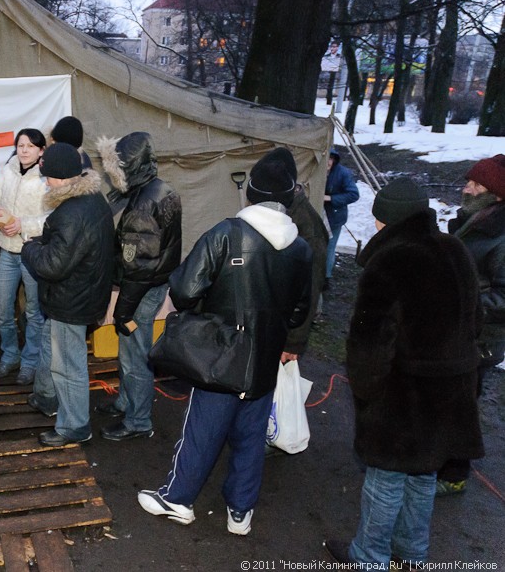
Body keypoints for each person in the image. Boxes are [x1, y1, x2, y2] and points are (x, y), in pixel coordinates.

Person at [137, 158, 311, 535]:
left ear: (251, 193)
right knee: (251, 435)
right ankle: (240, 511)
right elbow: (299, 313)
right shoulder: (301, 248)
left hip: (222, 354)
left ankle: (178, 498)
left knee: (203, 429)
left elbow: (184, 291)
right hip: (264, 359)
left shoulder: (226, 233)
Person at [324, 179, 484, 569]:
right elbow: (475, 320)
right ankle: (412, 554)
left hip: (403, 393)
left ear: (384, 220)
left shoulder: (390, 260)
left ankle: (369, 558)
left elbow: (368, 342)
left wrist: (366, 392)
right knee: (423, 476)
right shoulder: (455, 249)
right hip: (451, 390)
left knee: (386, 480)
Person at [21, 143, 115, 447]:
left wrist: (31, 247)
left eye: (47, 176)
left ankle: (75, 426)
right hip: (83, 294)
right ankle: (48, 399)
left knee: (69, 366)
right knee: (60, 354)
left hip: (70, 300)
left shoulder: (72, 212)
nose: (44, 180)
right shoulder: (92, 198)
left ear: (61, 178)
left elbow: (52, 265)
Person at [95, 131, 182, 440]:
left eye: (116, 170)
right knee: (130, 350)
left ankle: (138, 420)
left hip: (142, 289)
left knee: (135, 356)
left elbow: (139, 266)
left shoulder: (144, 206)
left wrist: (123, 310)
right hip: (153, 283)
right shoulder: (160, 189)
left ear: (129, 167)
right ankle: (126, 401)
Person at [436, 154, 504, 497]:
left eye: (476, 184)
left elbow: (503, 299)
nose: (467, 187)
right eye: (469, 181)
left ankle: (455, 474)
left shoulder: (501, 237)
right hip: (457, 332)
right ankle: (438, 460)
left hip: (479, 339)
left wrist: (463, 304)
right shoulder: (471, 220)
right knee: (447, 399)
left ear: (495, 194)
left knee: (463, 406)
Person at [0, 129, 49, 385]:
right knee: (2, 310)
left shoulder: (46, 177)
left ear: (40, 150)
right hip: (7, 251)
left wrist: (23, 224)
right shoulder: (9, 169)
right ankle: (10, 355)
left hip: (32, 253)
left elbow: (53, 218)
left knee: (33, 312)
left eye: (30, 146)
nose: (24, 150)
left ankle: (30, 362)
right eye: (20, 145)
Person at [280, 148, 329, 362]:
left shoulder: (308, 228)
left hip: (286, 333)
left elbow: (310, 287)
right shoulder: (282, 213)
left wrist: (294, 342)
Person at [324, 149, 359, 284]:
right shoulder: (316, 169)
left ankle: (326, 278)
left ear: (334, 159)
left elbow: (353, 194)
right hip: (318, 213)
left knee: (329, 247)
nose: (327, 162)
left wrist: (331, 198)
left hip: (335, 216)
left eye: (330, 159)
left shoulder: (342, 173)